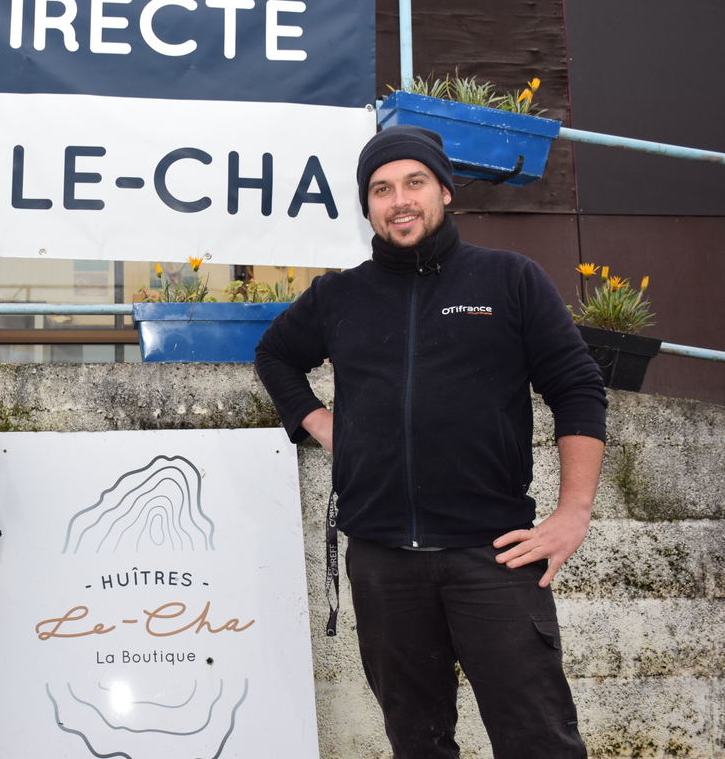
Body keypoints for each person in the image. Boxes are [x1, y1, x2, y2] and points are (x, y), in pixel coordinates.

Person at [255, 125, 607, 758]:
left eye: (414, 182)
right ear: (367, 207)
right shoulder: (340, 294)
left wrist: (573, 514)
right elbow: (276, 354)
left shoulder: (510, 280)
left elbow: (578, 387)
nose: (399, 200)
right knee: (417, 743)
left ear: (445, 190)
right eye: (381, 189)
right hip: (383, 559)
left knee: (539, 741)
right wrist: (317, 420)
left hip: (494, 555)